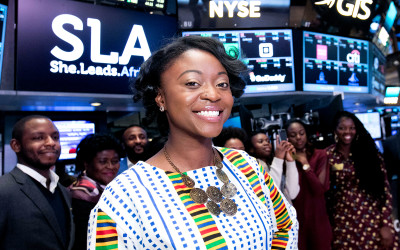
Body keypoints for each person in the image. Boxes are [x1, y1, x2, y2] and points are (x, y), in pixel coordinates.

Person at [87, 35, 298, 249]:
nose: (213, 94)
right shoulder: (125, 196)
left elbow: (286, 226)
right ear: (161, 98)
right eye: (192, 83)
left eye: (222, 84)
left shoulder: (246, 166)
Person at [0, 115, 74, 250]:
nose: (51, 143)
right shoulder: (4, 190)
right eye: (39, 138)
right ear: (16, 145)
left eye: (55, 137)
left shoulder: (63, 191)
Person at [326, 111, 398, 249]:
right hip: (343, 223)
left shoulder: (369, 152)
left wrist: (386, 224)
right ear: (335, 130)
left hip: (372, 219)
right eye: (342, 128)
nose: (348, 132)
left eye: (351, 128)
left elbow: (385, 190)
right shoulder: (328, 156)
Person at [68, 133, 124, 250]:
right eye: (103, 162)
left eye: (115, 161)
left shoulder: (112, 189)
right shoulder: (80, 196)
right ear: (86, 163)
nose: (110, 166)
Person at [286, 119, 332, 250]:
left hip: (319, 221)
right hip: (298, 222)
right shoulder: (288, 159)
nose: (298, 138)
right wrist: (292, 160)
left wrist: (305, 164)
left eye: (301, 133)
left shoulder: (320, 155)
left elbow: (319, 190)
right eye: (293, 135)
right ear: (287, 138)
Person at [247, 130, 300, 202]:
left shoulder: (274, 163)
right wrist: (278, 158)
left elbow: (292, 194)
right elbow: (270, 192)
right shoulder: (251, 167)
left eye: (268, 141)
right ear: (251, 149)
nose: (266, 143)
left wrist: (291, 161)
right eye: (260, 141)